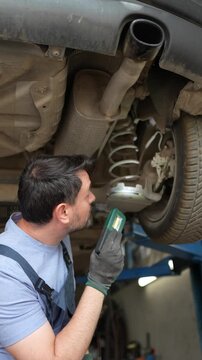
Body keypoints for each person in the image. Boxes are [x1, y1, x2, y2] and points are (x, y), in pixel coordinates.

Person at [0, 154, 124, 360]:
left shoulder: (55, 234)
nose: (93, 198)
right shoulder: (6, 278)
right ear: (63, 212)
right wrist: (99, 281)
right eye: (86, 195)